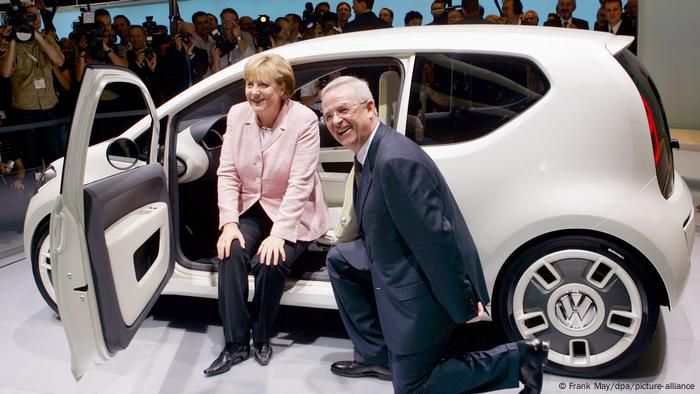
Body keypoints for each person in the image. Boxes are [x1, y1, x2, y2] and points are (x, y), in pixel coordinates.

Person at [320, 76, 549, 394]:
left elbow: (436, 243)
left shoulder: (393, 162)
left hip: (420, 293)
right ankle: (518, 358)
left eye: (343, 109)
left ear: (370, 108)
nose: (335, 120)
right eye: (327, 115)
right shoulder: (370, 156)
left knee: (413, 387)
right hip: (400, 275)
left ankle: (520, 358)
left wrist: (465, 304)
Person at [204, 53, 329, 377]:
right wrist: (229, 222)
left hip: (293, 213)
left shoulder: (303, 120)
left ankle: (261, 336)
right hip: (251, 209)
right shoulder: (237, 115)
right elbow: (228, 172)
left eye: (263, 85)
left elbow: (301, 183)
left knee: (270, 261)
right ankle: (235, 344)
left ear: (284, 89)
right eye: (249, 84)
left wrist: (279, 234)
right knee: (230, 251)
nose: (254, 92)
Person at [1, 3, 65, 168]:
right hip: (25, 110)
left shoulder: (47, 40)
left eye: (37, 15)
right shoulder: (9, 44)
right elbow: (5, 72)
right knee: (31, 157)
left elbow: (58, 61)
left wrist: (38, 37)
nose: (35, 20)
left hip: (49, 107)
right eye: (30, 16)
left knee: (54, 156)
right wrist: (13, 40)